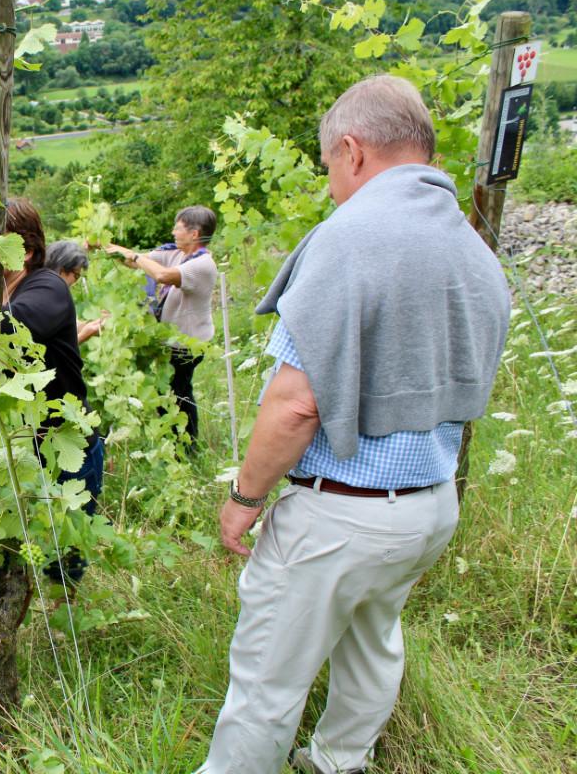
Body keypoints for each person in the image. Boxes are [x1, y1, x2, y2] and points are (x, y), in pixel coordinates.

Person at [195, 75, 509, 774]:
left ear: (352, 149)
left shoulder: (352, 240)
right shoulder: (472, 250)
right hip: (429, 504)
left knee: (266, 680)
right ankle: (340, 761)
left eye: (332, 168)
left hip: (344, 513)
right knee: (372, 640)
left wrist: (244, 500)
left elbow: (296, 404)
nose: (334, 185)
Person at [3, 199, 104, 587]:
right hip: (25, 446)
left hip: (68, 444)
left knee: (67, 546)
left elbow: (14, 328)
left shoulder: (47, 287)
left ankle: (65, 613)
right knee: (26, 540)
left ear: (26, 250)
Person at [102, 206, 218, 447]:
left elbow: (162, 276)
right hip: (173, 340)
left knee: (179, 392)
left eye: (178, 227)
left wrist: (136, 257)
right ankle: (178, 442)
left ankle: (186, 446)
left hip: (189, 343)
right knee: (174, 390)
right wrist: (106, 247)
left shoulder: (202, 265)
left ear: (194, 234)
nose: (173, 231)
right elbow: (139, 262)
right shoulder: (177, 253)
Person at [44, 240, 106, 343]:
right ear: (62, 269)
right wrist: (83, 336)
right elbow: (46, 352)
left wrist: (94, 322)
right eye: (76, 276)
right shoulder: (40, 298)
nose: (75, 282)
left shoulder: (53, 294)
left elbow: (66, 328)